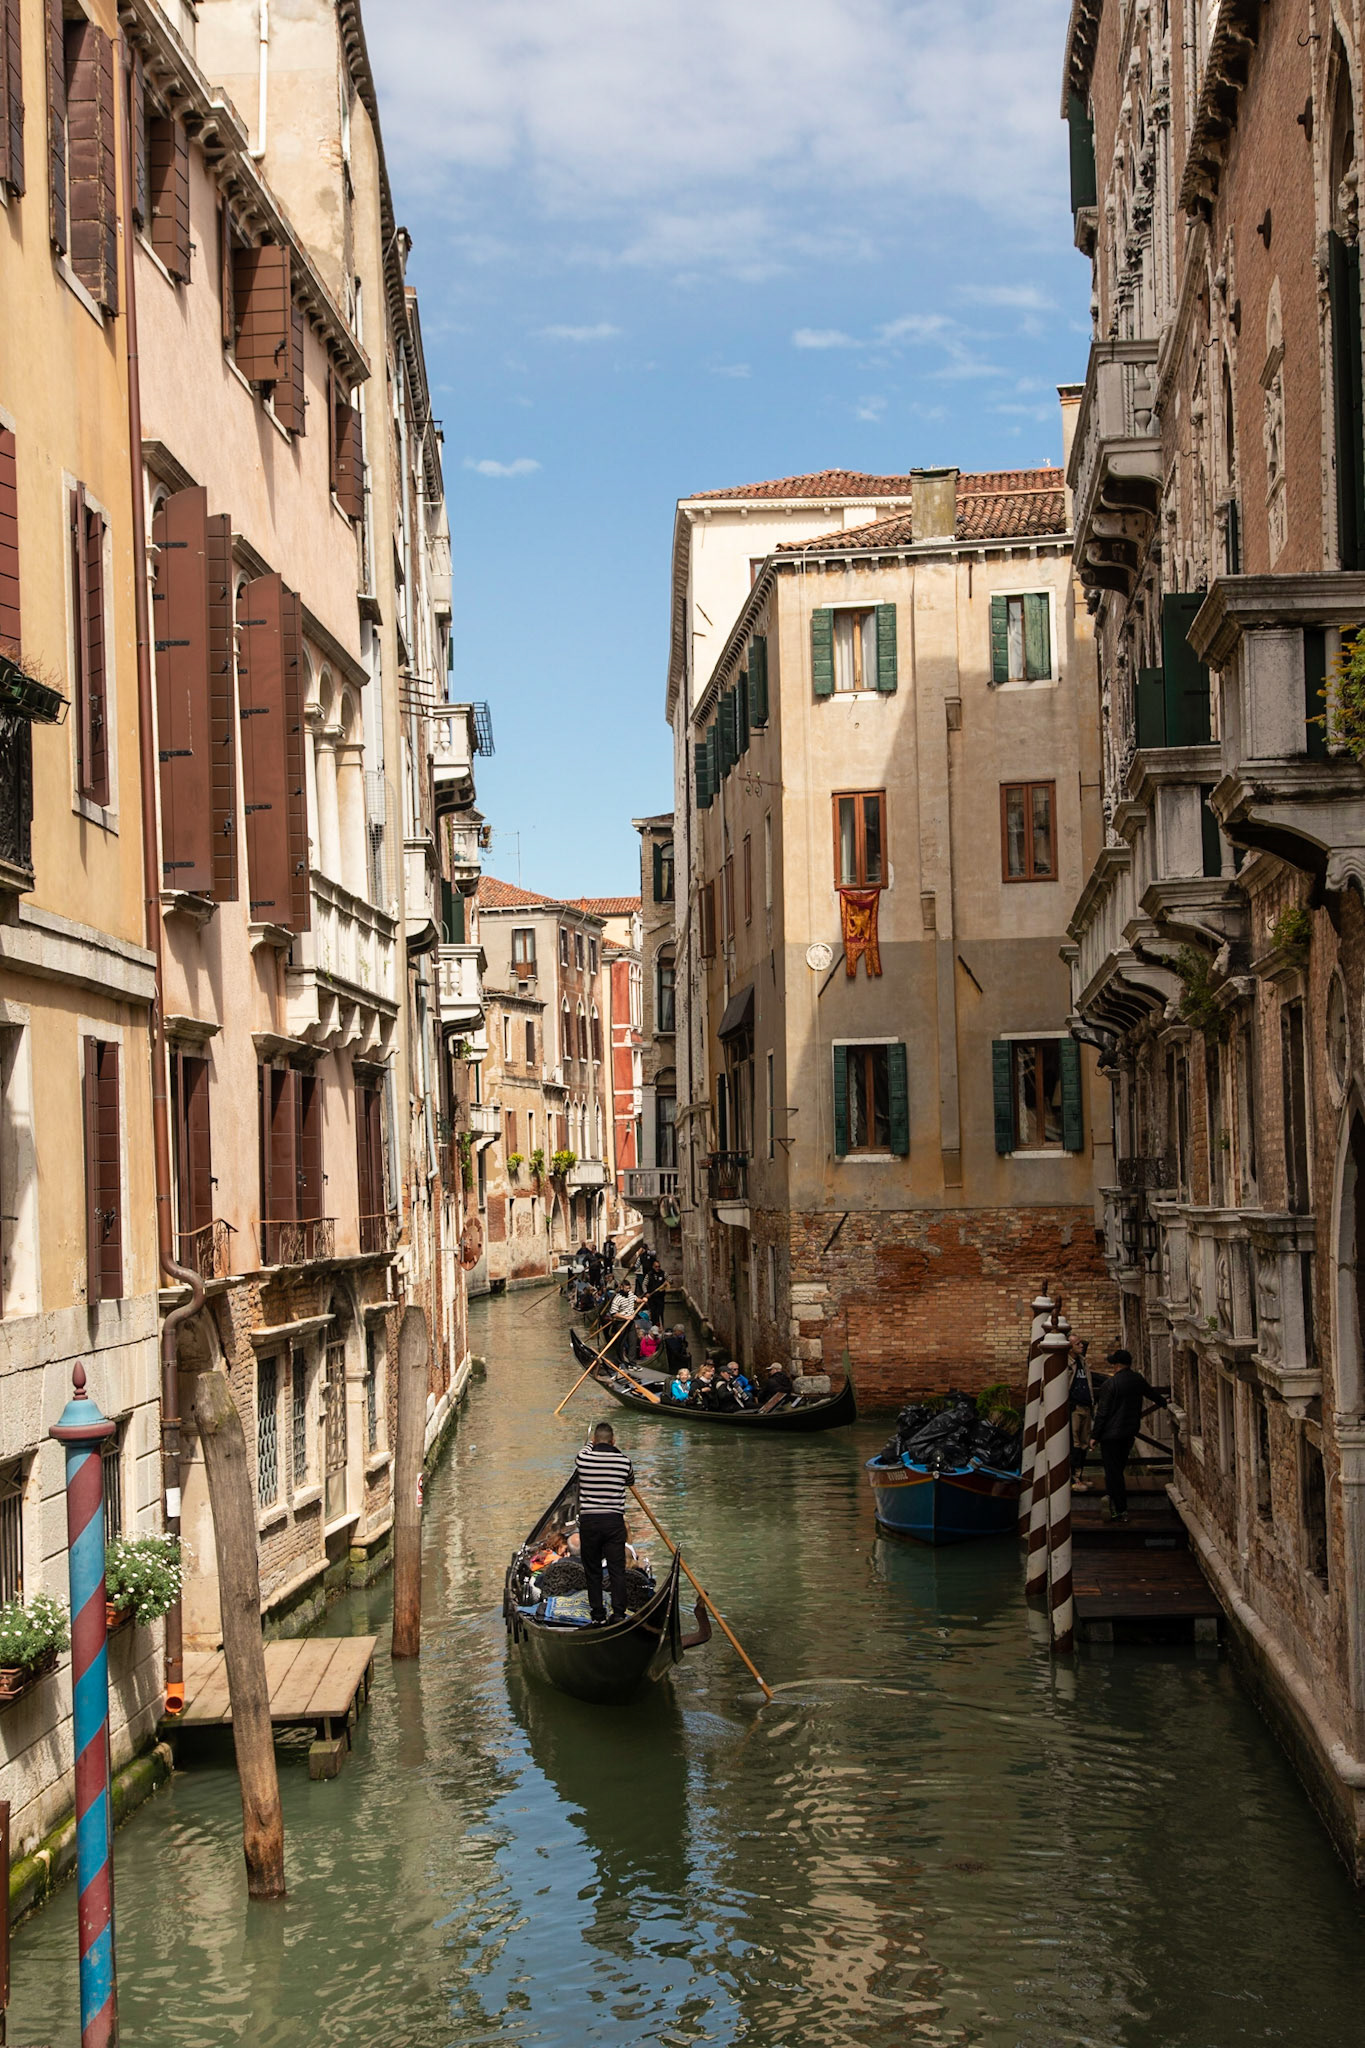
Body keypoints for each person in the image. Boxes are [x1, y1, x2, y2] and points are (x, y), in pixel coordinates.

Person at [1092, 1347, 1167, 1521]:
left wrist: (1094, 1436)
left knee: (1113, 1472)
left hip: (1110, 1435)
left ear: (1117, 1365)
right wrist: (1164, 1402)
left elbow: (1102, 1413)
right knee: (1118, 1470)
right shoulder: (1137, 1379)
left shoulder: (1109, 1384)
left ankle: (1120, 1509)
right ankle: (1114, 1501)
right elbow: (1153, 1394)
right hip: (1129, 1433)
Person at [574, 1421, 635, 1622]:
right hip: (613, 1522)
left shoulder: (583, 1459)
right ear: (613, 1441)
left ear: (593, 1441)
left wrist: (592, 1444)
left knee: (592, 1570)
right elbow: (630, 1481)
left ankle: (598, 1614)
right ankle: (618, 1613)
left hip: (590, 1522)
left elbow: (584, 1450)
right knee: (617, 1570)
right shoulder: (624, 1462)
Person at [1068, 1339, 1095, 1484]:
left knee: (1085, 1443)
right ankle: (1074, 1478)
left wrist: (1092, 1403)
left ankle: (1079, 1476)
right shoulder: (1066, 1363)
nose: (1081, 1345)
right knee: (1075, 1442)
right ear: (1070, 1347)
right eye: (1077, 1343)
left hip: (1086, 1406)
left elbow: (1089, 1383)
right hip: (1075, 1408)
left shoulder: (1083, 1362)